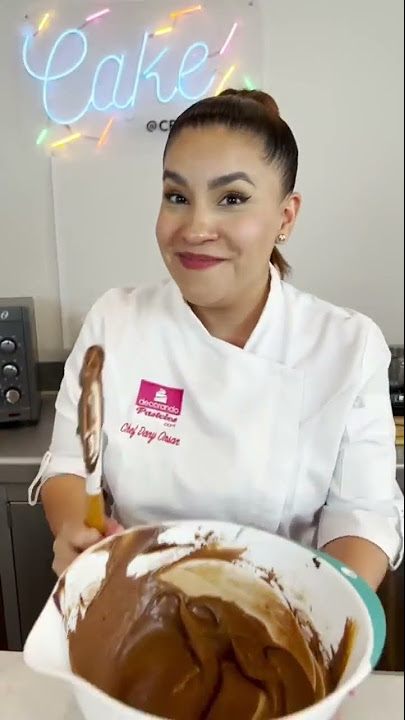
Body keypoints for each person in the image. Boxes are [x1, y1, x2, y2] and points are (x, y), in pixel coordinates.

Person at [29, 89, 403, 589]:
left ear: (286, 217)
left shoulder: (346, 346)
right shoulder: (116, 321)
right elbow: (71, 464)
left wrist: (321, 612)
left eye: (232, 199)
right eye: (177, 197)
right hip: (136, 603)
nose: (196, 226)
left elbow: (361, 517)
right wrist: (76, 529)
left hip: (283, 614)